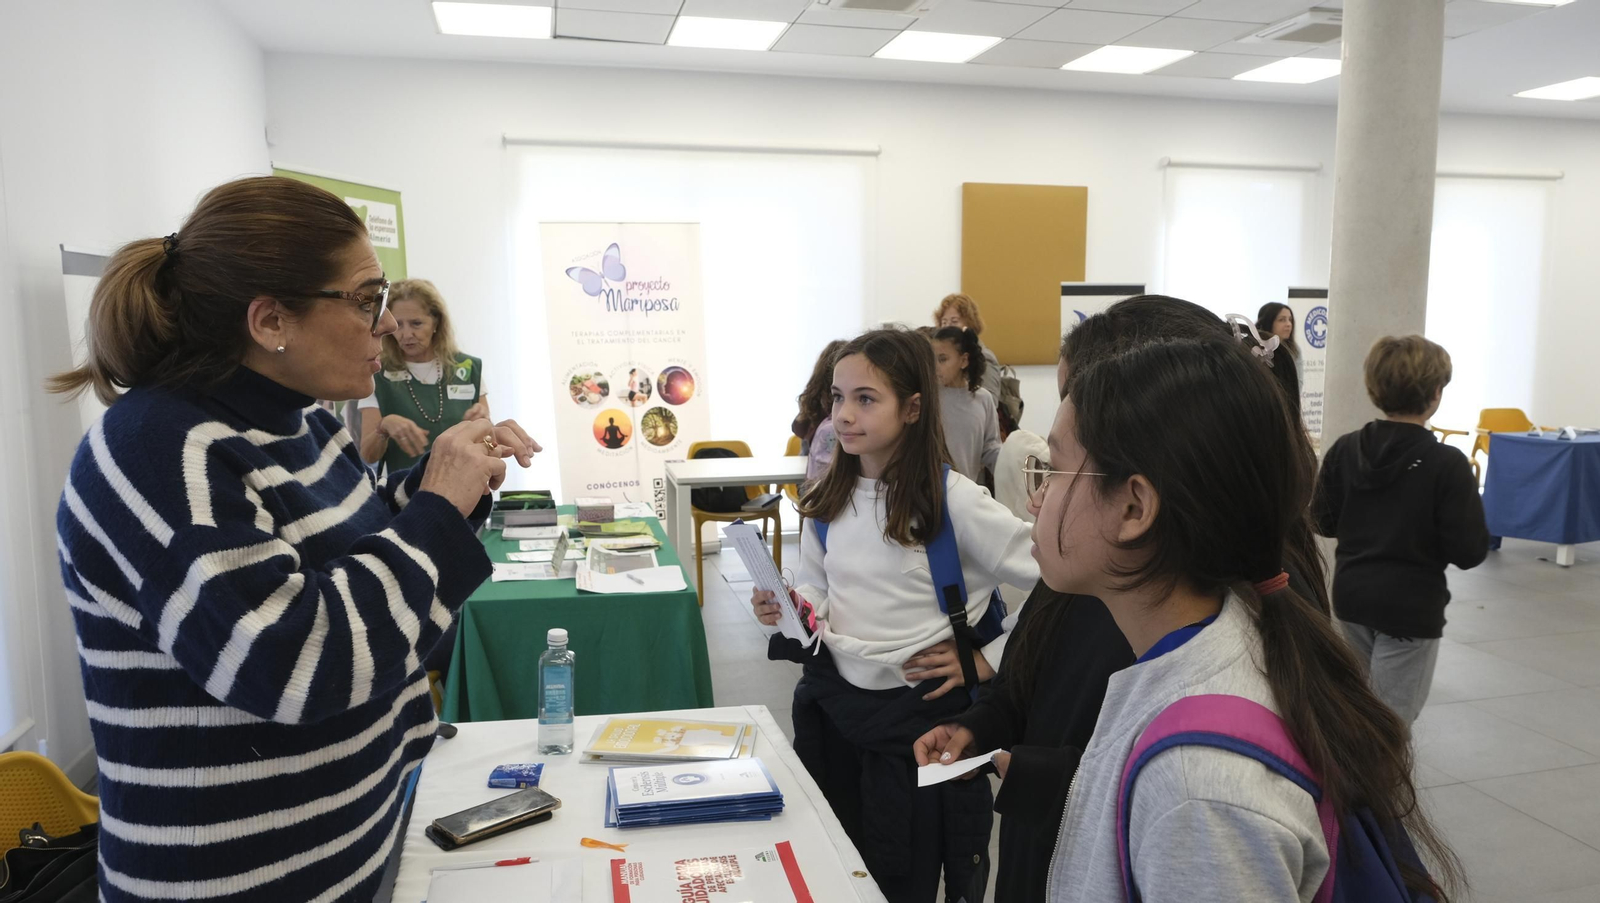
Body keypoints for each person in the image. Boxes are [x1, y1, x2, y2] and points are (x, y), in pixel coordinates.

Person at [48, 176, 539, 902]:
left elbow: (356, 545)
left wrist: (451, 480)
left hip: (351, 849)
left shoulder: (300, 419)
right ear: (272, 319)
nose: (385, 328)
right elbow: (298, 659)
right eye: (367, 300)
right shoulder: (158, 449)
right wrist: (437, 504)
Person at [1037, 334, 1460, 902]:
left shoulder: (1198, 787)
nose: (1037, 498)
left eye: (1057, 470)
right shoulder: (1233, 635)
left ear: (1134, 507)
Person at [751, 328, 1037, 903]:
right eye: (836, 397)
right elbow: (818, 584)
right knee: (840, 864)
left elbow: (1060, 577)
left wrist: (988, 659)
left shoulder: (953, 499)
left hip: (921, 729)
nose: (845, 414)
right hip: (839, 718)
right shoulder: (828, 500)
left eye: (866, 398)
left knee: (906, 875)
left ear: (911, 408)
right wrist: (793, 609)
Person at [1312, 335, 1489, 723]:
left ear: (1375, 387)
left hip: (1353, 597)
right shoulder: (1447, 464)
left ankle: (1346, 780)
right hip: (1410, 607)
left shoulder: (1345, 448)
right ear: (1436, 393)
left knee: (1356, 710)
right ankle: (1368, 785)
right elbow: (1470, 551)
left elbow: (1322, 521)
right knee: (1389, 725)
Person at [359, 278, 491, 474]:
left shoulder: (468, 368)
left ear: (436, 321)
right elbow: (368, 456)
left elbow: (491, 442)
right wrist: (383, 427)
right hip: (405, 495)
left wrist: (484, 426)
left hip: (467, 488)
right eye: (398, 324)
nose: (406, 334)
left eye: (416, 324)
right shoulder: (377, 371)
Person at [931, 326, 1002, 484]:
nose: (935, 366)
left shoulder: (983, 399)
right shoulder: (928, 397)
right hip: (930, 494)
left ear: (963, 360)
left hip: (966, 492)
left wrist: (1013, 462)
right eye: (932, 359)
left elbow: (990, 448)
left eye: (942, 359)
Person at [933, 293, 1008, 421]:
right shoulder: (938, 355)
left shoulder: (985, 357)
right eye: (944, 322)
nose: (947, 327)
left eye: (954, 321)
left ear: (970, 323)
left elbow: (990, 405)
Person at [792, 339, 847, 489]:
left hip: (814, 481)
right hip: (824, 480)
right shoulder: (819, 405)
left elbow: (798, 428)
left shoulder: (813, 399)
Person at [1257, 301, 1304, 385]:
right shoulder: (1254, 348)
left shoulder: (1294, 350)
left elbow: (1298, 383)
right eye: (1281, 320)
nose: (1288, 324)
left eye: (1290, 320)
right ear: (1268, 322)